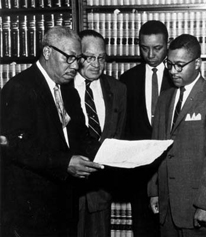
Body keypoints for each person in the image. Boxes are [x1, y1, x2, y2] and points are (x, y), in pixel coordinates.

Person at [0, 26, 104, 237]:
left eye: (78, 58)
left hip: (64, 206)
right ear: (47, 52)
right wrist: (65, 163)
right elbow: (17, 146)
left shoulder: (68, 90)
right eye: (69, 58)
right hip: (31, 213)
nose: (75, 66)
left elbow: (80, 138)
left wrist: (112, 152)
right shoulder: (19, 88)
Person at [148, 34, 206, 236]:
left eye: (180, 65)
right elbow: (155, 147)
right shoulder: (165, 98)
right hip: (167, 206)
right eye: (169, 64)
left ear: (197, 63)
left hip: (198, 208)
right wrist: (153, 191)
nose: (173, 71)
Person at [119, 20, 174, 236]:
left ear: (167, 45)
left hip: (171, 170)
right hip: (139, 175)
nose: (150, 54)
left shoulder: (177, 77)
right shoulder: (127, 80)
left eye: (157, 48)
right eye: (144, 48)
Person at [74, 29, 127, 237]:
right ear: (77, 56)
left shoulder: (118, 90)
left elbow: (118, 136)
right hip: (68, 191)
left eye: (101, 58)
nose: (96, 64)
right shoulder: (62, 88)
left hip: (101, 190)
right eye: (89, 58)